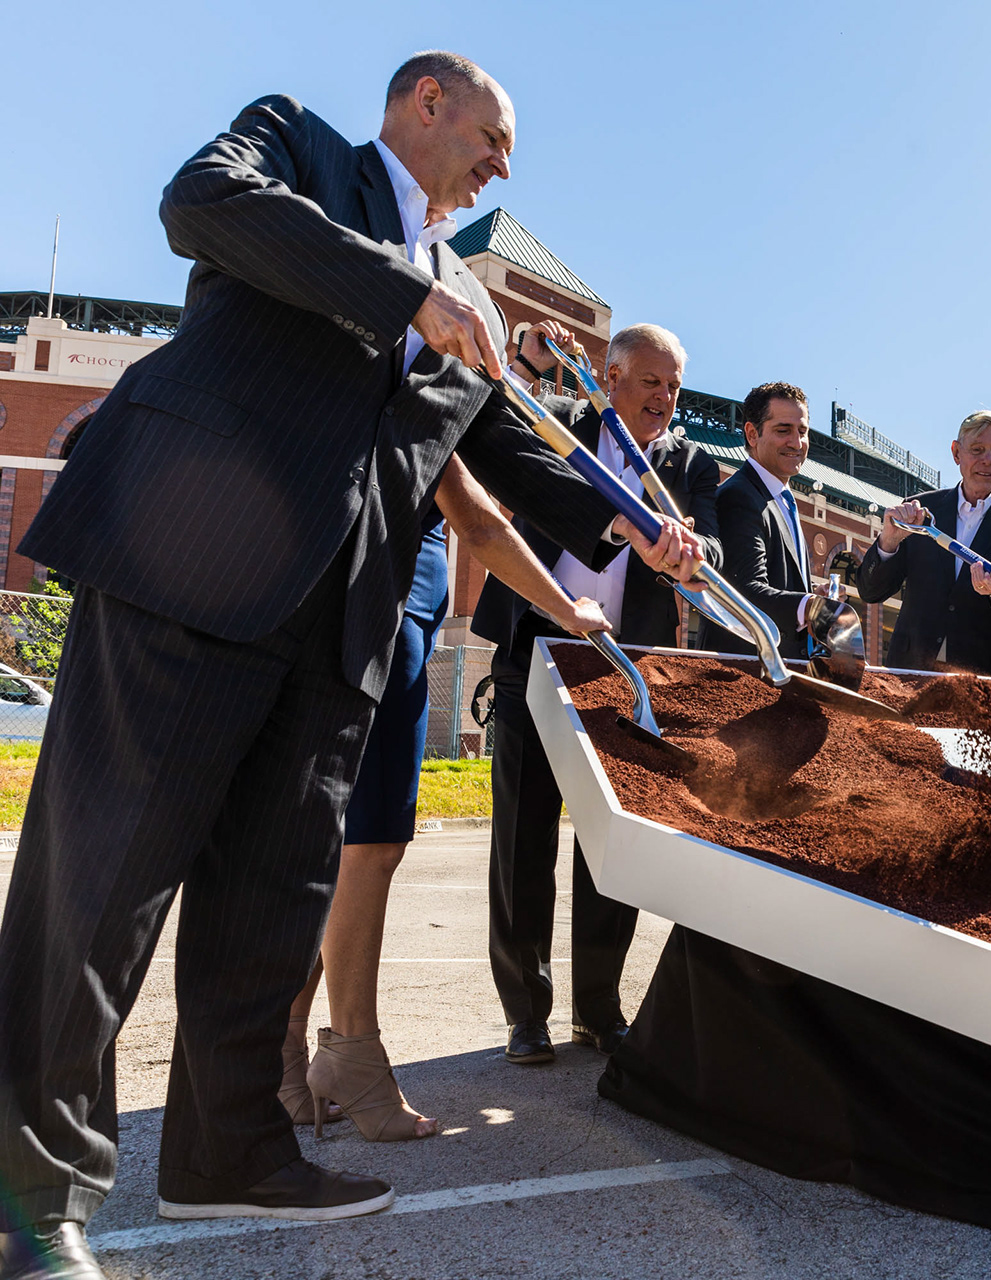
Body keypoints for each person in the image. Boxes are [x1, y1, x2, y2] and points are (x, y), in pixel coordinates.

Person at [0, 52, 703, 1275]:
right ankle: (31, 1195)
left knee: (270, 899)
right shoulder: (302, 151)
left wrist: (633, 522)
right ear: (426, 101)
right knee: (100, 884)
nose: (499, 164)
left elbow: (494, 447)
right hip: (191, 565)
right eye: (494, 136)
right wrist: (403, 291)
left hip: (340, 629)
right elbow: (200, 203)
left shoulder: (458, 303)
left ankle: (231, 1155)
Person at [279, 454, 614, 1140]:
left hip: (392, 591)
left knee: (353, 841)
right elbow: (479, 517)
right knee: (369, 840)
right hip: (379, 592)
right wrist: (563, 605)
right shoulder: (430, 371)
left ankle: (284, 1056)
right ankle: (351, 1052)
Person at [470, 320, 722, 1067]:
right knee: (522, 836)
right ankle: (526, 1012)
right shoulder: (558, 426)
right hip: (535, 649)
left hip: (624, 667)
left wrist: (692, 550)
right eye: (651, 381)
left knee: (609, 842)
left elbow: (702, 541)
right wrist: (527, 353)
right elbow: (499, 422)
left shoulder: (690, 463)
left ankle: (597, 1008)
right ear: (610, 378)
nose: (664, 399)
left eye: (674, 386)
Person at [857, 411, 991, 679]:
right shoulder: (920, 512)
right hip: (911, 670)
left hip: (989, 680)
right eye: (977, 449)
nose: (987, 460)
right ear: (956, 452)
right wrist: (888, 542)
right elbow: (870, 592)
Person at [713, 382, 818, 660]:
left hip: (782, 671)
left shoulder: (783, 497)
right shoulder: (738, 496)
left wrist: (811, 594)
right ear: (752, 433)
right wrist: (809, 606)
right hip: (744, 673)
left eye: (802, 431)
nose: (796, 443)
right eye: (783, 430)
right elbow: (743, 591)